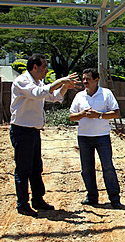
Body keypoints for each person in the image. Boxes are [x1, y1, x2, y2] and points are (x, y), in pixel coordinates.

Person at [10, 53, 80, 217]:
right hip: (22, 130)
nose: (46, 70)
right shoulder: (22, 82)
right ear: (34, 67)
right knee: (23, 169)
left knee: (36, 168)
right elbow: (38, 94)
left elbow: (53, 97)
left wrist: (64, 87)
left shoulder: (38, 82)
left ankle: (37, 199)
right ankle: (22, 204)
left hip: (33, 131)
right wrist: (60, 81)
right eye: (44, 67)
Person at [69, 68, 124, 209]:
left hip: (102, 137)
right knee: (86, 169)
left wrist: (99, 115)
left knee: (108, 168)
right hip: (84, 137)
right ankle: (92, 197)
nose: (85, 81)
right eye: (83, 79)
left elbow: (116, 113)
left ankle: (114, 199)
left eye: (88, 79)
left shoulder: (106, 94)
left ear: (96, 80)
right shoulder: (79, 96)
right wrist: (82, 114)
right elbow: (71, 117)